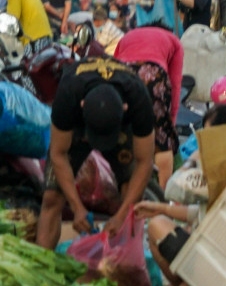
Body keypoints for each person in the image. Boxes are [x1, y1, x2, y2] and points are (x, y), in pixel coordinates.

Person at [34, 53, 158, 252]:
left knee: (131, 194)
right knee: (52, 197)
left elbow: (145, 161)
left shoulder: (137, 97)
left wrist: (122, 214)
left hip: (121, 129)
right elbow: (58, 154)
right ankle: (39, 263)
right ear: (82, 106)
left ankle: (125, 264)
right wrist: (76, 207)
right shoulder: (68, 94)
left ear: (125, 108)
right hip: (76, 127)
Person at [115, 24, 185, 187]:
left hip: (123, 74)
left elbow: (114, 63)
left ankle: (124, 187)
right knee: (162, 140)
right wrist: (169, 123)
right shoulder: (173, 40)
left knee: (124, 132)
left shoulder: (128, 35)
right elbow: (175, 84)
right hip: (152, 73)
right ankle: (162, 195)